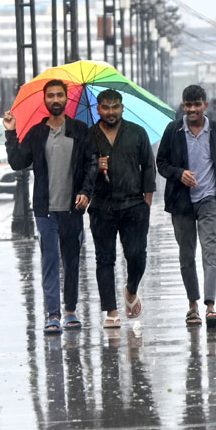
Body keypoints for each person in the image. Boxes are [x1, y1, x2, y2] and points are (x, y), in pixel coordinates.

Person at [3, 79, 97, 334]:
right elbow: (17, 161)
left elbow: (92, 163)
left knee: (71, 260)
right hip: (45, 209)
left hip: (72, 208)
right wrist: (11, 132)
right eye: (51, 96)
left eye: (59, 95)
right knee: (50, 262)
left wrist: (86, 193)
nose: (55, 100)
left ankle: (70, 311)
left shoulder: (79, 130)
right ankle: (53, 314)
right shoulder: (37, 132)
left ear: (66, 99)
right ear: (45, 100)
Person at [156, 84, 216, 328]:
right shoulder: (172, 130)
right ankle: (193, 306)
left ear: (205, 105)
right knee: (187, 255)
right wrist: (179, 173)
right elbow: (161, 163)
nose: (193, 109)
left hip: (209, 200)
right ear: (183, 106)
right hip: (181, 202)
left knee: (210, 252)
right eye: (188, 105)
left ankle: (210, 307)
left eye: (197, 105)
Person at [88, 89, 155, 329]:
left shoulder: (137, 133)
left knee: (137, 255)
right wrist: (95, 166)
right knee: (104, 259)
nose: (111, 112)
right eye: (105, 107)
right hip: (101, 207)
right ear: (98, 109)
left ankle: (131, 289)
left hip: (134, 205)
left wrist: (147, 203)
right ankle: (112, 311)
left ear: (122, 108)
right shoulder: (89, 137)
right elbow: (78, 173)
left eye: (115, 107)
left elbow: (148, 166)